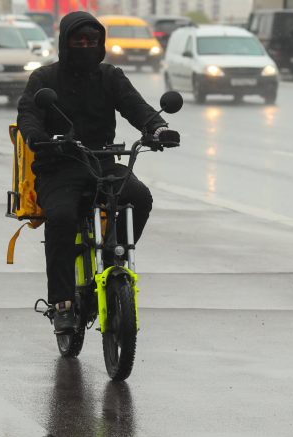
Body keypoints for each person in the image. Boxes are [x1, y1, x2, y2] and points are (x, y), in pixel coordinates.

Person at [17, 11, 179, 333]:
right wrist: (40, 138)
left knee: (139, 197)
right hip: (58, 166)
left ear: (101, 44)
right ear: (65, 42)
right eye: (79, 40)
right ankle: (62, 303)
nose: (86, 46)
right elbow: (29, 115)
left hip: (103, 162)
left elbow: (136, 106)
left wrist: (157, 128)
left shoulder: (109, 76)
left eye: (92, 41)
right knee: (61, 217)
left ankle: (111, 252)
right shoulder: (44, 79)